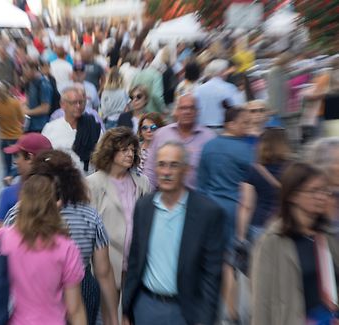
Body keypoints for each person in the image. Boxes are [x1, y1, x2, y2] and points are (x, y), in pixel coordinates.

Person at [3, 150, 119, 325]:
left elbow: (4, 263)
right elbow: (103, 272)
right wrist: (112, 317)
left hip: (31, 298)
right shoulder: (89, 216)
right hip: (82, 292)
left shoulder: (17, 214)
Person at [122, 141, 225, 325]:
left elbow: (212, 275)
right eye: (161, 164)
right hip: (145, 306)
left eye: (173, 165)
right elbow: (135, 260)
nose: (166, 172)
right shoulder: (144, 207)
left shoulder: (207, 213)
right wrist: (127, 309)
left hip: (185, 312)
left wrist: (205, 320)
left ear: (186, 169)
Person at [0, 175, 87, 325]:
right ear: (53, 204)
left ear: (21, 203)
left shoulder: (2, 238)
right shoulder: (66, 247)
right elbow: (75, 309)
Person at [251, 162, 339, 325]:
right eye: (313, 191)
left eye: (324, 191)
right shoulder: (272, 241)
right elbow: (261, 302)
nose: (321, 197)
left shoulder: (328, 235)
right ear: (293, 195)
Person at [197, 107, 254, 322]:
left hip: (212, 207)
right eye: (244, 122)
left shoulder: (209, 146)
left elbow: (201, 183)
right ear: (230, 123)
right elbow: (251, 185)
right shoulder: (247, 150)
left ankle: (227, 310)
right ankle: (232, 313)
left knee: (221, 260)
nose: (247, 127)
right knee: (235, 262)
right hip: (237, 210)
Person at [87, 127, 151, 288]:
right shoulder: (92, 184)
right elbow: (88, 227)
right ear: (110, 151)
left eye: (132, 150)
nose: (130, 154)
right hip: (107, 262)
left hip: (136, 262)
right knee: (109, 311)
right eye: (124, 150)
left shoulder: (143, 182)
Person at [144, 93, 216, 189]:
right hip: (163, 195)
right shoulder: (161, 134)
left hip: (196, 198)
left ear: (197, 111)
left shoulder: (209, 137)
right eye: (183, 108)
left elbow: (214, 174)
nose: (187, 112)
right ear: (176, 111)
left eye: (191, 108)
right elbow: (150, 169)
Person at [237, 128, 290, 245]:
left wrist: (241, 237)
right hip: (286, 223)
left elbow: (246, 205)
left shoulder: (254, 170)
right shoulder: (293, 169)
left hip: (260, 224)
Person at [0, 133, 53, 228]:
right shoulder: (59, 191)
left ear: (29, 158)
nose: (15, 161)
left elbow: (0, 230)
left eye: (18, 156)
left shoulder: (9, 193)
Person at [42, 87, 101, 174]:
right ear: (62, 104)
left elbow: (101, 154)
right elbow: (44, 156)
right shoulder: (51, 128)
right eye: (73, 103)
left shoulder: (93, 126)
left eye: (81, 102)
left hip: (88, 179)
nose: (78, 106)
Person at [194, 59, 244, 129]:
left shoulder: (198, 89)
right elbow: (238, 107)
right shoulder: (229, 88)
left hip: (202, 128)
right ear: (222, 71)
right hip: (221, 128)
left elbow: (195, 108)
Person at [22, 60, 53, 132]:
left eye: (26, 70)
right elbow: (28, 101)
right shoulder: (29, 82)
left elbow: (45, 108)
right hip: (30, 126)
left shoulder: (44, 85)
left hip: (40, 127)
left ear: (34, 69)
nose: (24, 73)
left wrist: (27, 112)